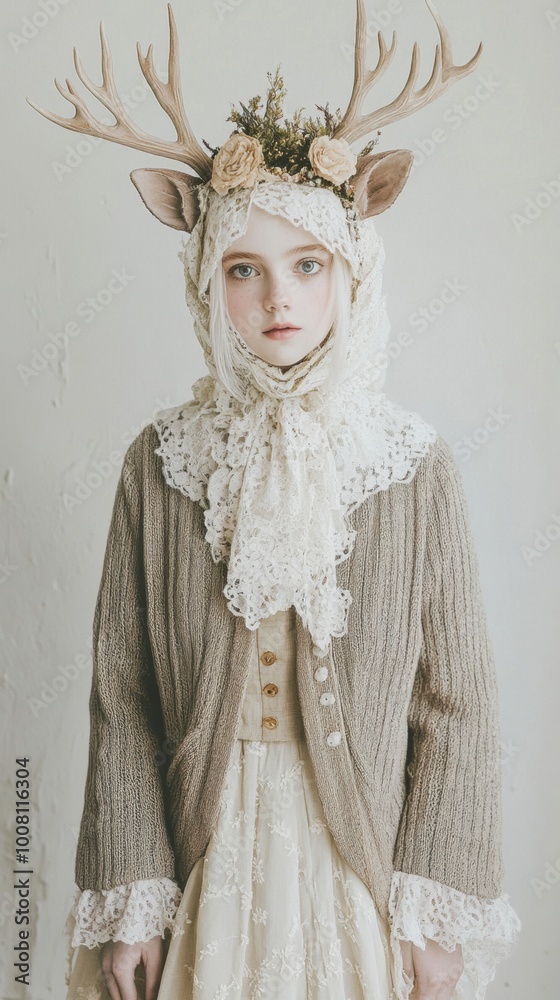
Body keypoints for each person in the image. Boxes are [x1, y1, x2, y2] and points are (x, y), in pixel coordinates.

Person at [28, 3, 522, 998]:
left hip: (356, 861)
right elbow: (121, 698)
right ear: (208, 285)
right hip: (206, 850)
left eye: (306, 266)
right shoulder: (160, 462)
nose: (277, 299)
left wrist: (430, 912)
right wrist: (133, 890)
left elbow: (455, 706)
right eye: (242, 271)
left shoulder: (407, 464)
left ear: (349, 274)